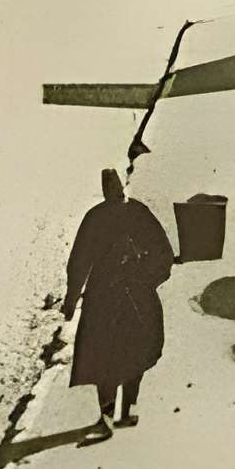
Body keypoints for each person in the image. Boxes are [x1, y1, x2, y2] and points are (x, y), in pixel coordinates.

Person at [63, 169, 174, 439]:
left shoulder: (96, 217)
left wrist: (72, 298)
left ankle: (112, 414)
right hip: (133, 296)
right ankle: (118, 412)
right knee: (133, 353)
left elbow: (79, 262)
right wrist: (146, 279)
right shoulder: (137, 212)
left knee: (108, 356)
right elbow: (164, 256)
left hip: (108, 297)